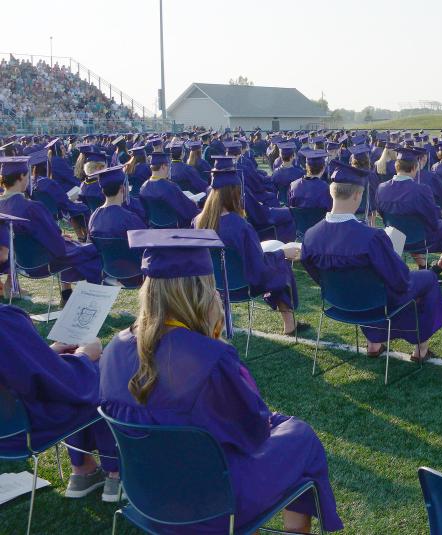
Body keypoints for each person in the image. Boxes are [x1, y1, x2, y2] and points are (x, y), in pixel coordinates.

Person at [99, 229, 343, 533]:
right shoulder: (208, 358)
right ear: (199, 290)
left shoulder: (113, 348)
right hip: (211, 503)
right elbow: (253, 434)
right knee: (301, 436)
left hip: (149, 495)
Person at [301, 163, 442, 362]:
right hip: (376, 302)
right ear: (357, 196)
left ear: (331, 192)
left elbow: (314, 273)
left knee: (368, 285)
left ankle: (374, 343)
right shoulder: (371, 237)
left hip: (338, 301)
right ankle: (420, 350)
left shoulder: (310, 236)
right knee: (428, 278)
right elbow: (400, 281)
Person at [0, 304, 120, 501]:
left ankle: (84, 470)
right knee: (103, 370)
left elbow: (16, 370)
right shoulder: (5, 319)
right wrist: (84, 355)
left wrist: (46, 355)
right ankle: (115, 472)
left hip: (6, 428)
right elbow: (65, 384)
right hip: (26, 429)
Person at [194, 165, 305, 336]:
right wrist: (282, 253)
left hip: (212, 284)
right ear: (235, 194)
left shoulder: (197, 222)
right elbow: (259, 267)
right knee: (280, 267)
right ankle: (290, 324)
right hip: (242, 286)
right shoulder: (241, 226)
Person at [0, 156, 102, 303]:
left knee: (70, 248)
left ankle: (67, 295)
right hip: (42, 262)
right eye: (27, 175)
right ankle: (90, 303)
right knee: (90, 251)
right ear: (22, 176)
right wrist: (62, 239)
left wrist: (60, 239)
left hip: (18, 263)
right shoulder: (32, 207)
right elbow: (56, 244)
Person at [377, 147, 442, 274]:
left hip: (396, 238)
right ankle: (440, 266)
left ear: (396, 167)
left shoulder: (381, 188)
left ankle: (422, 265)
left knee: (412, 224)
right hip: (421, 239)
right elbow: (432, 221)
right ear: (414, 168)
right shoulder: (421, 190)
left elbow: (382, 214)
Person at [139, 151, 200, 228]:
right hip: (173, 229)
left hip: (153, 228)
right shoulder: (170, 187)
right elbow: (188, 211)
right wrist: (194, 204)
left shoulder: (143, 187)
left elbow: (145, 213)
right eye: (168, 166)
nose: (169, 169)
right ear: (163, 166)